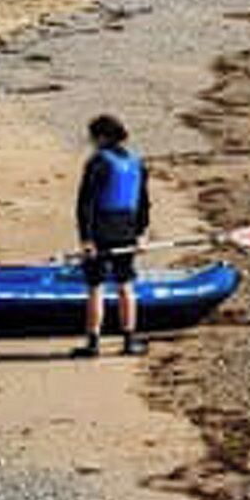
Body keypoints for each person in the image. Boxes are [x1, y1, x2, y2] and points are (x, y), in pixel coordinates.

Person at [75, 113, 151, 356]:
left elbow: (85, 204)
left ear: (101, 137)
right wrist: (140, 234)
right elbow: (144, 203)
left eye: (92, 137)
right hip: (127, 229)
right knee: (125, 285)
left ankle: (93, 342)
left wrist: (86, 239)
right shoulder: (137, 162)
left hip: (101, 230)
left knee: (95, 287)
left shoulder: (98, 162)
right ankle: (129, 341)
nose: (91, 141)